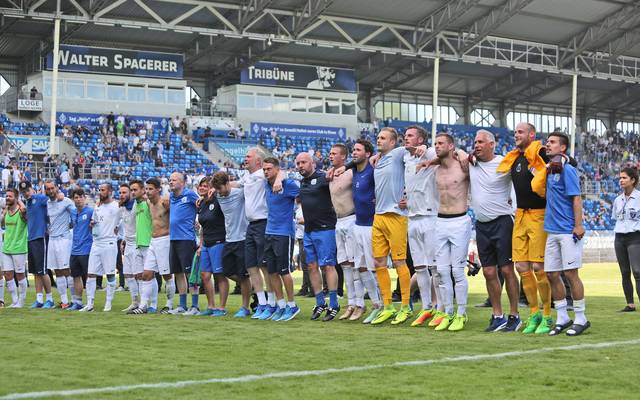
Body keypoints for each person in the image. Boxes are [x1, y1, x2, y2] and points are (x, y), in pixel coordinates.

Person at [497, 122, 553, 335]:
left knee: (538, 268)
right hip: (520, 215)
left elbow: (562, 162)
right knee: (521, 267)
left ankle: (547, 315)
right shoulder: (514, 157)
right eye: (515, 132)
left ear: (532, 134)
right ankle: (534, 313)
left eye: (520, 132)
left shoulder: (540, 152)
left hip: (539, 215)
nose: (516, 135)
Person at [469, 130, 521, 332]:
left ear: (492, 144)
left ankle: (514, 315)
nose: (477, 145)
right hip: (482, 225)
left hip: (503, 223)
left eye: (481, 142)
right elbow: (454, 153)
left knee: (507, 270)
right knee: (489, 272)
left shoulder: (504, 163)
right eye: (475, 142)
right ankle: (497, 315)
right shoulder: (471, 163)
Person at [543, 132, 589, 336]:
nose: (548, 144)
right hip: (551, 230)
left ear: (563, 148)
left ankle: (581, 318)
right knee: (551, 274)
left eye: (552, 142)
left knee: (571, 274)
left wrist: (578, 225)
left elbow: (576, 199)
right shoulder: (550, 170)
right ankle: (563, 317)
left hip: (567, 230)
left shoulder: (568, 170)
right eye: (547, 141)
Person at [367, 128, 413, 325]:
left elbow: (418, 150)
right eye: (378, 137)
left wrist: (409, 196)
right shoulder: (377, 159)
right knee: (378, 263)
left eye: (383, 138)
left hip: (396, 215)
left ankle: (405, 306)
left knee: (399, 262)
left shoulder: (399, 152)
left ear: (393, 142)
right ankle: (387, 306)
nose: (379, 140)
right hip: (378, 216)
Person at [428, 133, 473, 331]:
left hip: (459, 220)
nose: (437, 146)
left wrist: (462, 152)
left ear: (452, 146)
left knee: (457, 271)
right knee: (441, 271)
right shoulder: (435, 167)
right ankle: (447, 312)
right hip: (440, 221)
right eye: (435, 143)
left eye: (440, 143)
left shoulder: (463, 165)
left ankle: (461, 314)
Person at [401, 126, 441, 327]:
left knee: (435, 267)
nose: (405, 138)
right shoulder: (406, 159)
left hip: (430, 217)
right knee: (419, 267)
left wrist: (427, 150)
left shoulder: (431, 152)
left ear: (420, 140)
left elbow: (449, 154)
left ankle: (441, 308)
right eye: (405, 136)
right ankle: (426, 307)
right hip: (412, 217)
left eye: (410, 136)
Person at [295, 152, 340, 321]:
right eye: (298, 163)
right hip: (308, 231)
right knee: (312, 266)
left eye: (303, 162)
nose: (300, 166)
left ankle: (334, 303)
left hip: (326, 229)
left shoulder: (323, 178)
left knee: (328, 266)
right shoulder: (302, 182)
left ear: (312, 163)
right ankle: (320, 302)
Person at [233, 148, 275, 318]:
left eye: (248, 156)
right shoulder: (247, 177)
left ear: (258, 161)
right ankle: (261, 303)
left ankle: (272, 304)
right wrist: (216, 186)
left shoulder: (263, 175)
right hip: (250, 225)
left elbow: (281, 175)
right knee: (251, 267)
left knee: (264, 266)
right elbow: (234, 185)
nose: (245, 159)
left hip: (263, 222)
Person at [328, 144, 364, 320]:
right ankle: (351, 303)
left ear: (343, 157)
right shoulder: (329, 174)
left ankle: (360, 304)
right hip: (338, 221)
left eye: (334, 154)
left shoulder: (351, 172)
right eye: (330, 153)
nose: (330, 156)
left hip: (352, 219)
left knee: (355, 264)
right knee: (344, 265)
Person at [261, 158, 301, 321]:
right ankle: (282, 305)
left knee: (284, 271)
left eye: (269, 169)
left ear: (277, 170)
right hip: (269, 232)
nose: (265, 172)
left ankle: (292, 306)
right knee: (272, 272)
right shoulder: (266, 184)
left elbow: (302, 192)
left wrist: (280, 178)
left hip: (284, 233)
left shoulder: (288, 184)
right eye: (264, 169)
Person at [348, 139, 383, 323]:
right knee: (360, 267)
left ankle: (385, 304)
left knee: (375, 266)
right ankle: (376, 304)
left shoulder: (373, 170)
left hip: (371, 225)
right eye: (353, 150)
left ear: (368, 154)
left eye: (358, 150)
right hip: (357, 225)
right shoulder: (353, 170)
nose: (353, 152)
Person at [212, 172, 252, 317]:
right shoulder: (217, 195)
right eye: (216, 189)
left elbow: (250, 183)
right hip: (229, 239)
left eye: (220, 189)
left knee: (243, 275)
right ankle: (252, 286)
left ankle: (245, 307)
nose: (219, 193)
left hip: (242, 238)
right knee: (227, 272)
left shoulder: (240, 193)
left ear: (227, 184)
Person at [130, 178, 173, 314]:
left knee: (167, 275)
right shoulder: (148, 203)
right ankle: (143, 306)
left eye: (150, 189)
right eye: (147, 189)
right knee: (146, 274)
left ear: (158, 189)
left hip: (165, 240)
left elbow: (176, 217)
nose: (148, 191)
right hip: (153, 242)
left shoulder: (165, 203)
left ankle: (169, 304)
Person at [81, 183, 120, 312]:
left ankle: (108, 303)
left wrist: (119, 230)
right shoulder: (97, 206)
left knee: (109, 274)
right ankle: (90, 304)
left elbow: (123, 220)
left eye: (103, 190)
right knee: (91, 274)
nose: (100, 192)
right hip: (96, 243)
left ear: (110, 192)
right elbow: (94, 221)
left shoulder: (116, 206)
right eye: (99, 190)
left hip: (109, 242)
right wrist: (92, 224)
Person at [168, 172, 200, 315]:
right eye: (169, 180)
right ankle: (182, 305)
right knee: (178, 273)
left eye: (174, 180)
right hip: (173, 239)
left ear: (182, 182)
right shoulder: (171, 197)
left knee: (189, 273)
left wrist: (199, 220)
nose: (170, 182)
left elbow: (202, 205)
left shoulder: (190, 195)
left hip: (186, 239)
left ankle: (195, 306)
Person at [19, 181, 54, 308]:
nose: (26, 193)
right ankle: (39, 299)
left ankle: (50, 299)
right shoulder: (28, 204)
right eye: (23, 192)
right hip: (31, 238)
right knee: (35, 272)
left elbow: (52, 200)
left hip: (41, 237)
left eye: (27, 190)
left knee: (43, 270)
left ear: (32, 189)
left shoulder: (40, 198)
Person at [195, 177, 227, 316]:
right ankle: (211, 306)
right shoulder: (201, 203)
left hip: (218, 241)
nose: (202, 188)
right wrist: (200, 245)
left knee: (219, 275)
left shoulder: (218, 199)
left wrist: (216, 192)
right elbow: (202, 227)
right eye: (200, 186)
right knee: (205, 275)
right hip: (206, 243)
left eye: (205, 186)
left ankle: (221, 307)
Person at [44, 180, 75, 308]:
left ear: (56, 188)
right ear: (45, 190)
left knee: (67, 270)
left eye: (52, 188)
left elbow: (75, 214)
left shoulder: (66, 201)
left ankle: (75, 301)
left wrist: (71, 226)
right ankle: (65, 302)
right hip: (52, 239)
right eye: (48, 189)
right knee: (57, 270)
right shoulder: (46, 204)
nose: (50, 191)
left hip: (64, 239)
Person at [613, 167, 640, 312]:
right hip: (619, 238)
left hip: (635, 237)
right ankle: (630, 304)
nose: (621, 180)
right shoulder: (618, 200)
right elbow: (616, 218)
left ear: (633, 180)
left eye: (624, 178)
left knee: (637, 271)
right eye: (620, 178)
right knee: (624, 272)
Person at [1, 189, 28, 308]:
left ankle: (21, 302)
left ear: (16, 198)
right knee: (7, 274)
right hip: (6, 247)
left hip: (19, 247)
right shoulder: (6, 211)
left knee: (20, 274)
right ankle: (14, 300)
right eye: (6, 196)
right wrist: (3, 212)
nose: (7, 198)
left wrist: (21, 203)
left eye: (10, 196)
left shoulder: (21, 211)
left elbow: (25, 212)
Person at [68, 188, 92, 310]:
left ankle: (89, 302)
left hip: (86, 249)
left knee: (88, 276)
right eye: (76, 198)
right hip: (74, 249)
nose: (78, 200)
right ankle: (78, 302)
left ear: (85, 198)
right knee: (75, 276)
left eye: (80, 197)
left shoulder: (90, 211)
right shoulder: (72, 212)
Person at [118, 183, 141, 312]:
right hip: (128, 244)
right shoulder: (122, 208)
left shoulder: (138, 205)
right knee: (128, 275)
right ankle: (134, 302)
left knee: (140, 275)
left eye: (124, 192)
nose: (122, 195)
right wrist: (124, 240)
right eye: (120, 193)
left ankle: (145, 303)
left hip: (138, 244)